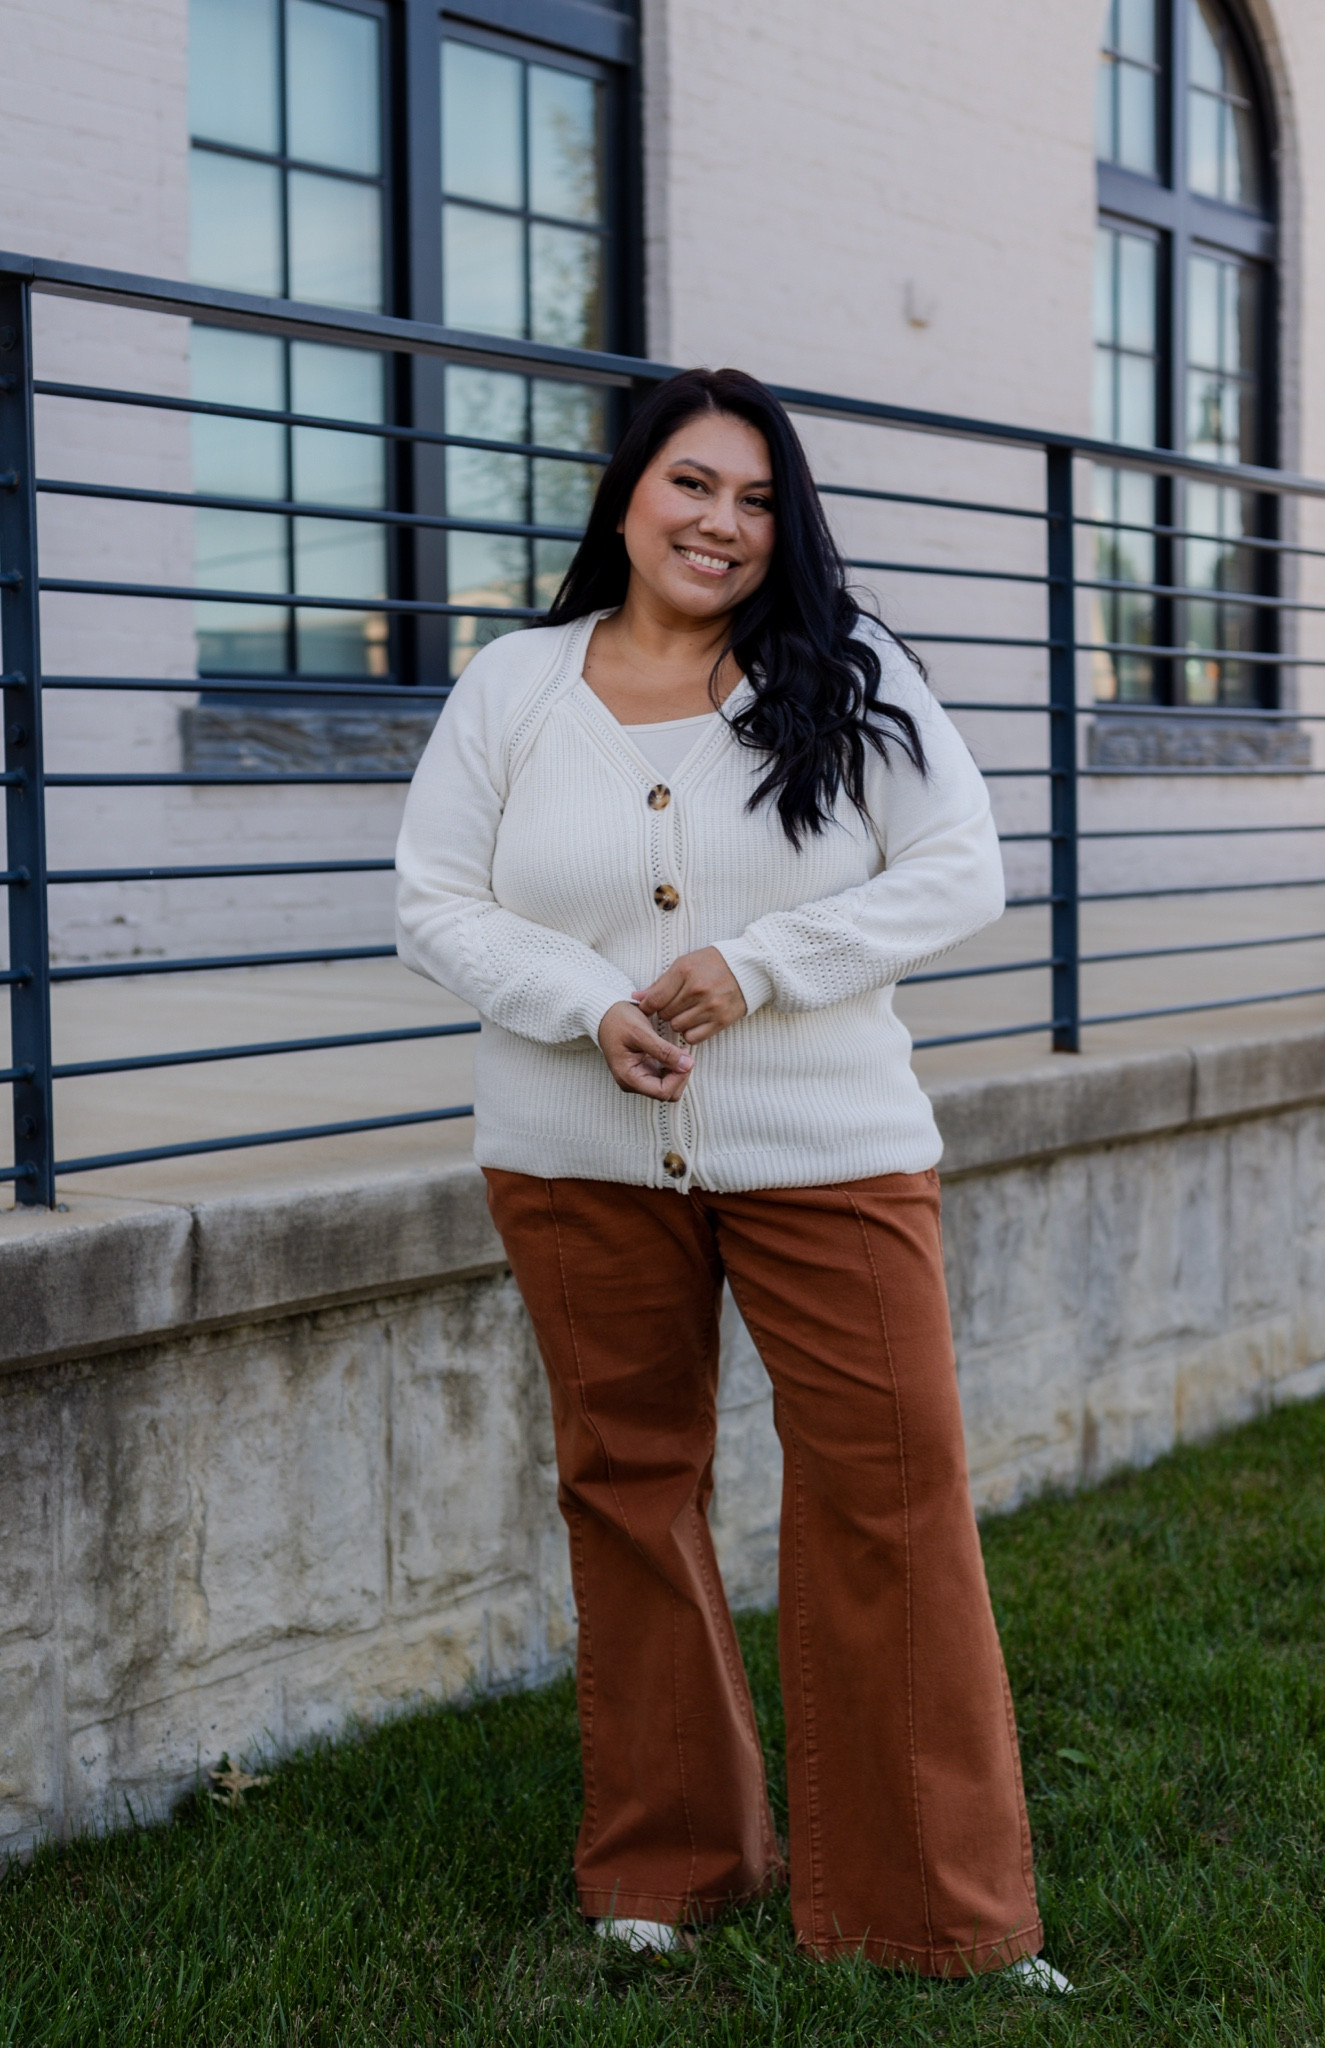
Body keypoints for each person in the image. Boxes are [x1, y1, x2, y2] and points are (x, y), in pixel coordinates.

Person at [394, 367, 1071, 1991]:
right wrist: (588, 1004)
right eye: (694, 485)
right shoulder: (514, 683)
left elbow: (958, 867)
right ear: (627, 492)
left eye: (760, 500)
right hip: (572, 1152)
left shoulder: (847, 672)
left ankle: (934, 1916)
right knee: (626, 1488)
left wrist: (759, 965)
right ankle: (669, 1861)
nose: (723, 523)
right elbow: (432, 899)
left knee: (891, 1500)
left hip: (827, 1150)